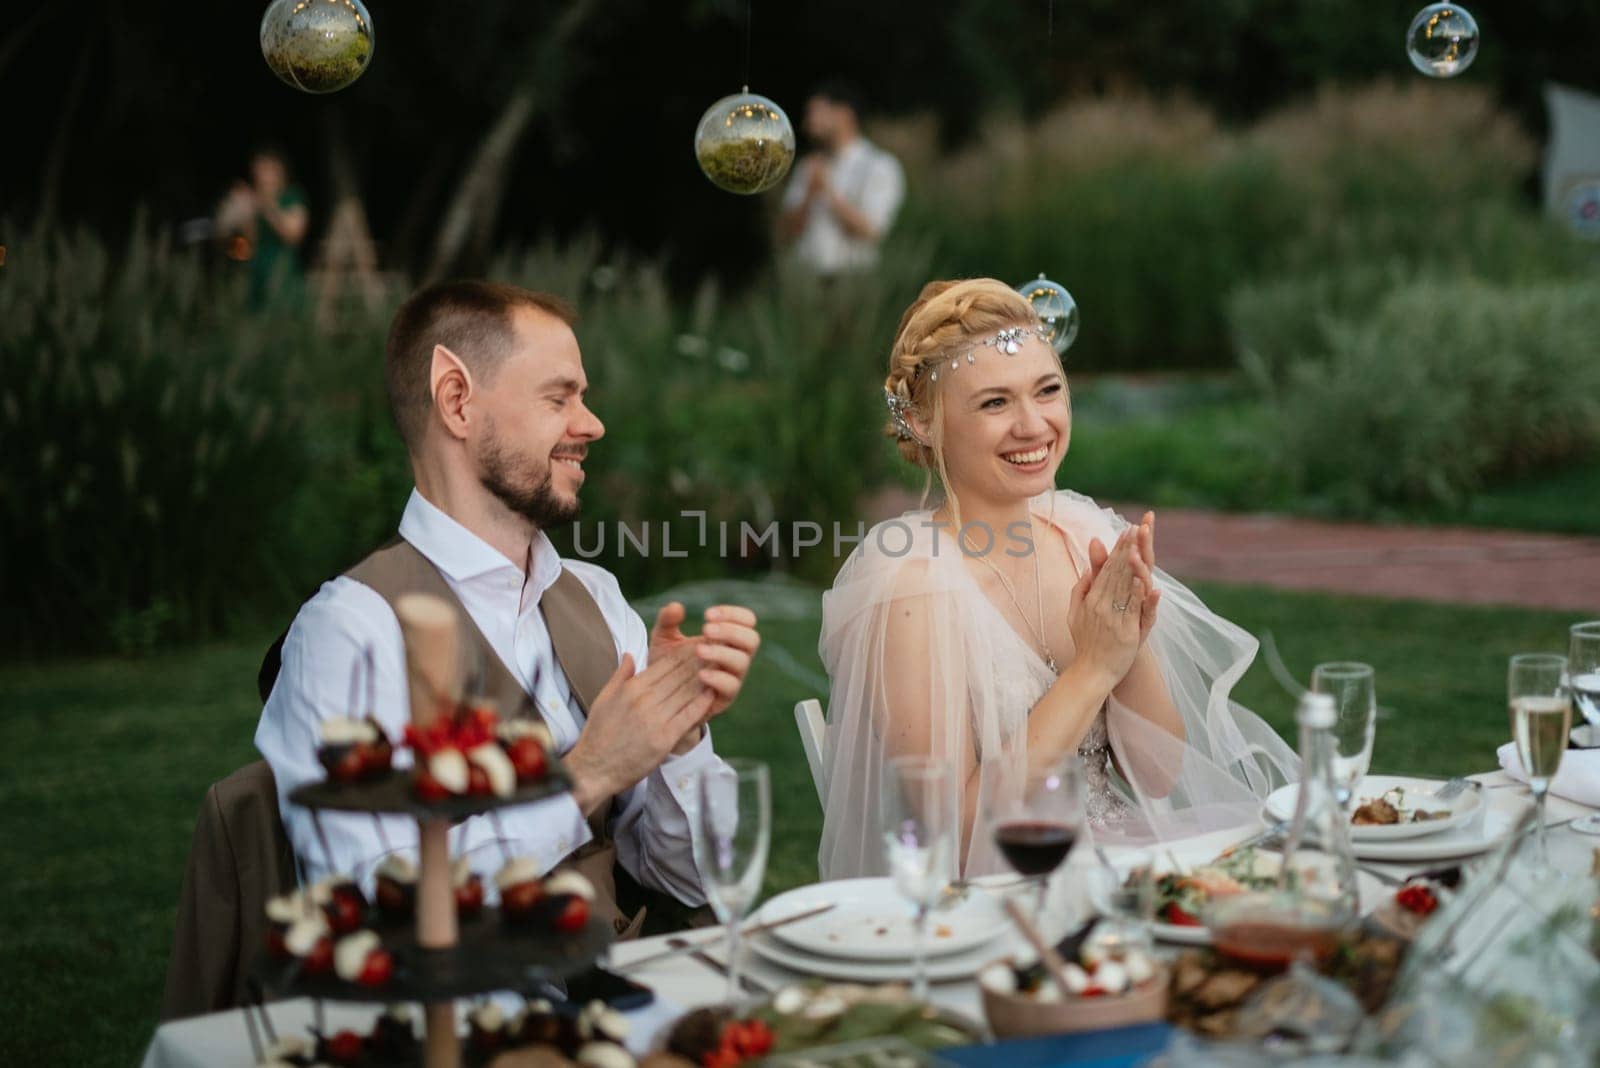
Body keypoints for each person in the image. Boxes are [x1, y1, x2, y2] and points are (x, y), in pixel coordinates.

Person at [256, 280, 761, 932]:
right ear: (458, 402)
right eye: (559, 398)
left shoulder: (597, 599)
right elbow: (375, 913)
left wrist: (678, 736)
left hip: (635, 998)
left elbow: (694, 882)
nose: (592, 424)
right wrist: (586, 774)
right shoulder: (350, 633)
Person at [817, 279, 1296, 878]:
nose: (1032, 425)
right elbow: (957, 836)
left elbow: (1158, 775)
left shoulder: (1080, 534)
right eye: (995, 404)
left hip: (1119, 864)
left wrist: (1126, 648)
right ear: (923, 421)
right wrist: (1091, 668)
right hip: (995, 900)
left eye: (1047, 391)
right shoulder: (911, 586)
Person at [777, 80, 905, 276]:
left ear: (844, 114)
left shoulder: (879, 165)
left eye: (817, 113)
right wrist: (809, 194)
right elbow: (787, 231)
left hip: (852, 279)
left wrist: (828, 191)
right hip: (805, 279)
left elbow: (871, 231)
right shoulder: (808, 166)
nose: (809, 122)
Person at [216, 144, 309, 309]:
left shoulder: (292, 197)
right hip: (255, 274)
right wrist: (241, 214)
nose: (263, 177)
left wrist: (264, 204)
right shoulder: (253, 202)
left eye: (268, 170)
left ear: (280, 172)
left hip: (283, 273)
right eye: (259, 170)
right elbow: (246, 246)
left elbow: (293, 235)